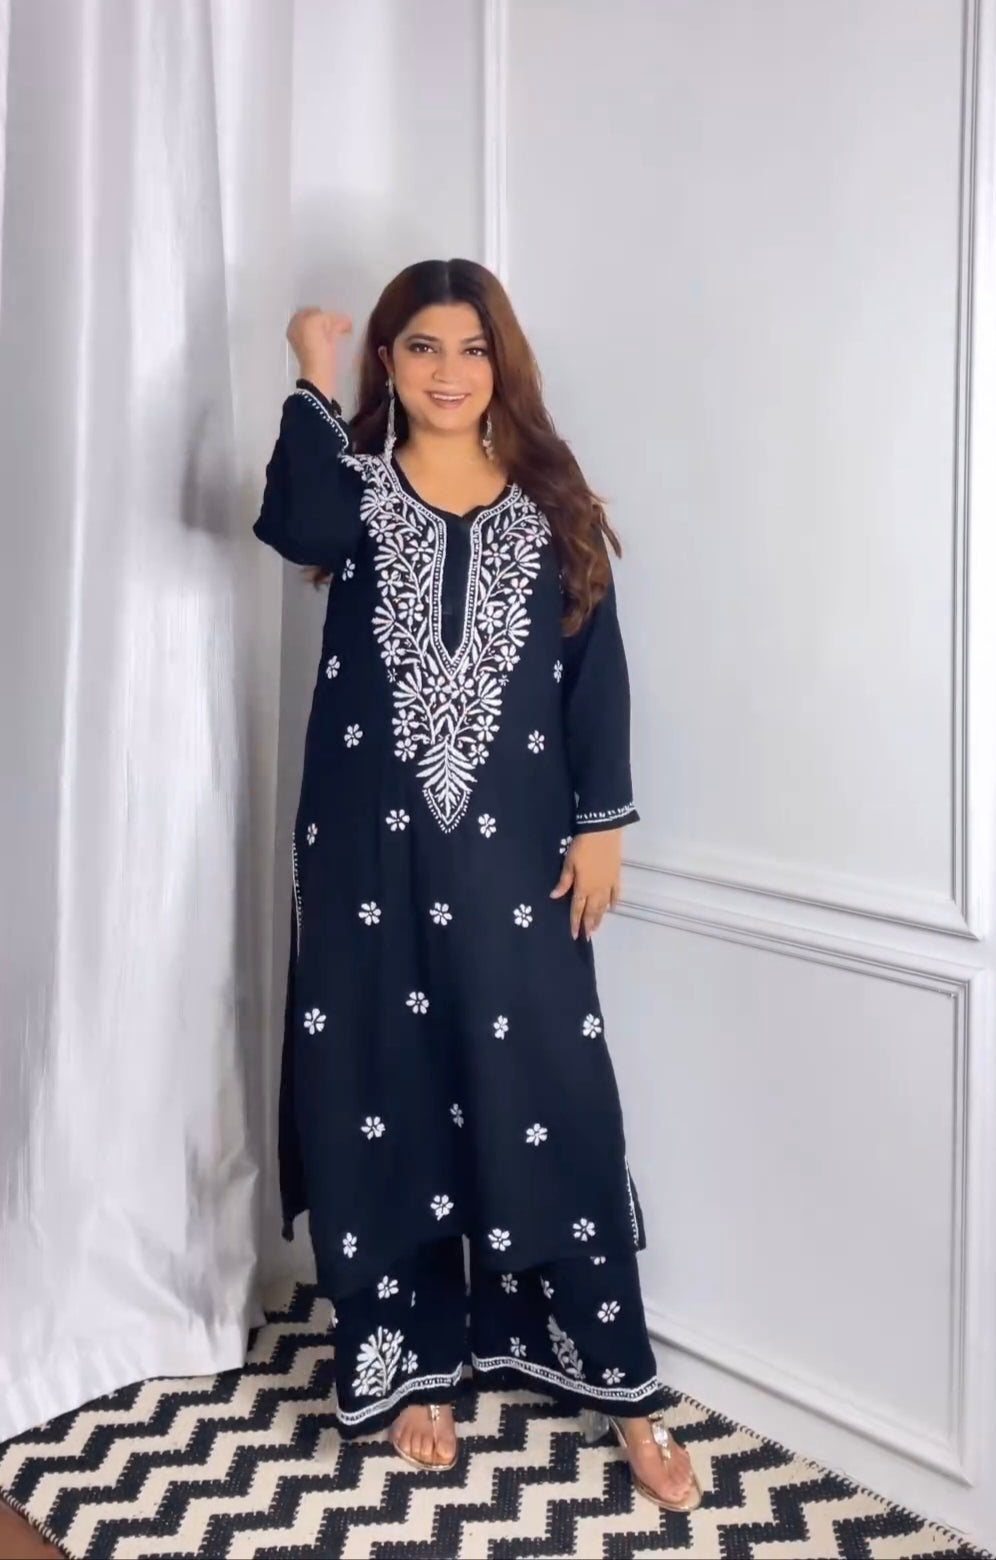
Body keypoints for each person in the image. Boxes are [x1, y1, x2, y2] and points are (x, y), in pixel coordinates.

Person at [253, 258, 701, 1511]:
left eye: (471, 349)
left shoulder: (552, 508)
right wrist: (309, 369)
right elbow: (298, 528)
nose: (449, 373)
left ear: (503, 363)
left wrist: (602, 827)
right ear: (387, 365)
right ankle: (416, 1364)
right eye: (420, 349)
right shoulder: (355, 489)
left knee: (550, 1088)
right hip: (366, 858)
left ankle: (620, 1382)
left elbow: (594, 672)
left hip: (516, 861)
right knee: (383, 1086)